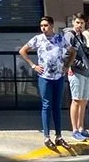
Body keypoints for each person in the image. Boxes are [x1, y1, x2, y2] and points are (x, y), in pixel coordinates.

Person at [19, 16, 75, 149]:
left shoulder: (60, 39)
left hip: (58, 76)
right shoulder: (38, 39)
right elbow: (22, 51)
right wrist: (33, 65)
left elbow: (72, 51)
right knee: (46, 105)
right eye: (41, 26)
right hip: (45, 76)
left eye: (46, 25)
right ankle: (46, 136)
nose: (43, 28)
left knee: (57, 106)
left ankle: (59, 135)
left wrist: (67, 66)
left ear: (51, 25)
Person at [66, 12, 89, 140]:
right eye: (77, 22)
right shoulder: (69, 35)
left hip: (86, 71)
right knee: (76, 100)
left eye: (82, 23)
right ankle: (75, 130)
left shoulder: (82, 37)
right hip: (76, 71)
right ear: (73, 22)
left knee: (83, 101)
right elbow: (66, 54)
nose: (79, 25)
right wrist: (74, 65)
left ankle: (81, 127)